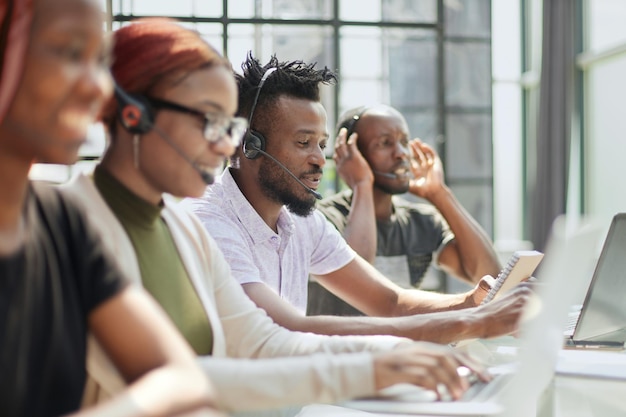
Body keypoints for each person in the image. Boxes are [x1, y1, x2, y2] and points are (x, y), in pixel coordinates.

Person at [60, 18, 489, 417]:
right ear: (136, 115)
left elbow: (264, 342)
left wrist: (407, 349)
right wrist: (386, 360)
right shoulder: (81, 225)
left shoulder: (180, 226)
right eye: (210, 123)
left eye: (227, 128)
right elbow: (175, 379)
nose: (221, 146)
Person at [182, 53, 531, 345]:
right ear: (249, 145)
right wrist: (470, 322)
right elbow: (285, 330)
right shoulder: (210, 221)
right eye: (304, 143)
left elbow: (390, 301)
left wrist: (471, 302)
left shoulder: (302, 221)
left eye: (321, 143)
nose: (319, 158)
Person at [0, 1, 221, 416]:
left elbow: (184, 378)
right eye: (69, 53)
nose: (100, 89)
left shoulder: (59, 221)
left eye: (100, 62)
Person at [310, 104, 502, 316]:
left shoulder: (420, 222)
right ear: (350, 152)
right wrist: (361, 184)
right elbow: (357, 274)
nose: (401, 154)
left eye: (404, 142)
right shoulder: (324, 220)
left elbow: (489, 275)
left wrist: (439, 194)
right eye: (385, 143)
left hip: (402, 347)